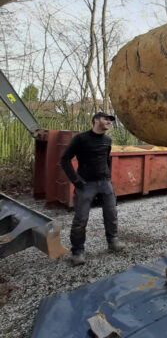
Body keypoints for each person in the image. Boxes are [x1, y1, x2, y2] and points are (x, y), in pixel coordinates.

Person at [61, 111, 125, 266]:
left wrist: (108, 178)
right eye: (106, 119)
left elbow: (107, 159)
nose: (109, 121)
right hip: (85, 184)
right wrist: (76, 181)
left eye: (111, 119)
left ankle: (113, 241)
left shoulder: (108, 140)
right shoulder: (81, 139)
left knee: (111, 214)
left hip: (105, 183)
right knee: (80, 219)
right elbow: (64, 160)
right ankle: (77, 252)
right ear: (96, 120)